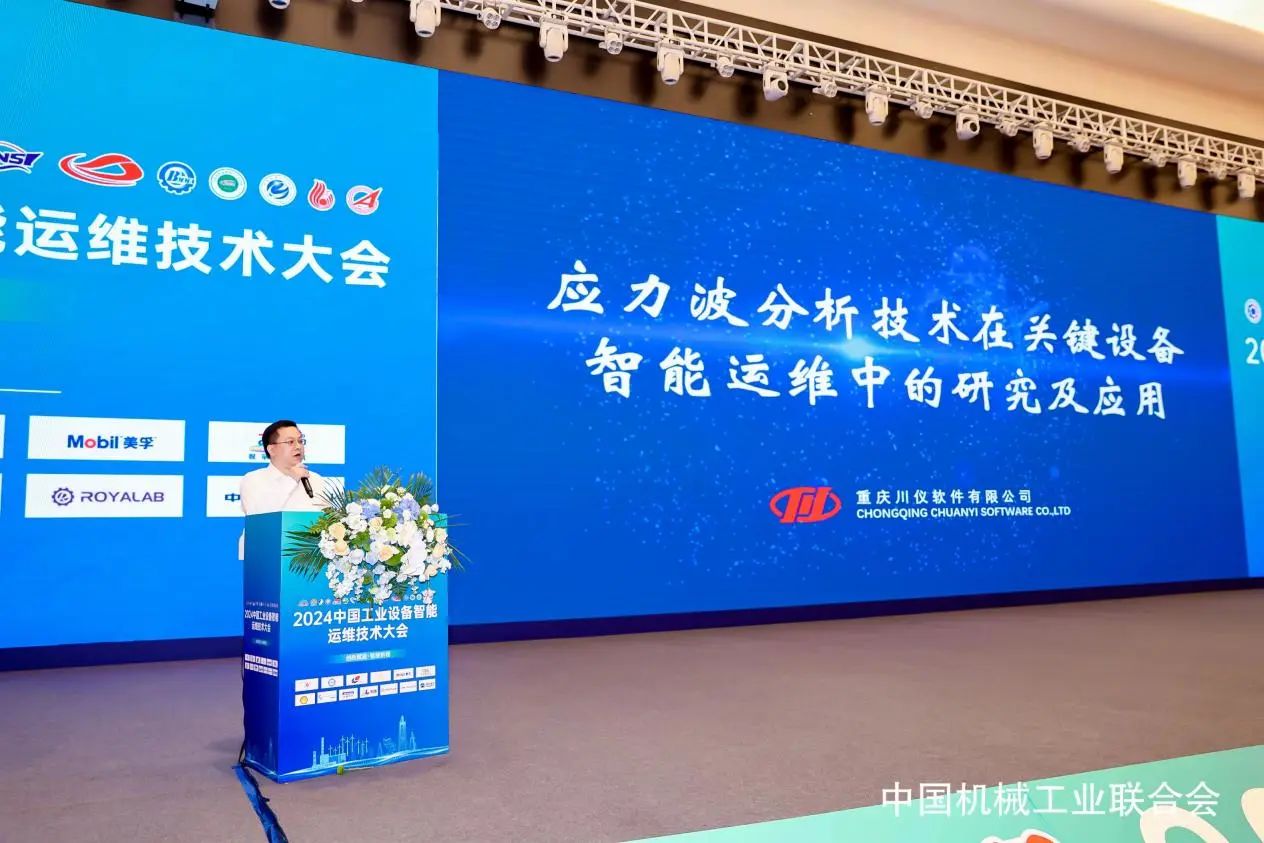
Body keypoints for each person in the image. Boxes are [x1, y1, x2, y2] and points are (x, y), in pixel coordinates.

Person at [238, 419, 332, 559]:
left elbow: (328, 518)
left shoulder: (316, 479)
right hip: (265, 555)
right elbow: (260, 518)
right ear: (271, 449)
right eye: (290, 442)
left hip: (311, 558)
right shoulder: (253, 479)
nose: (298, 446)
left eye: (300, 441)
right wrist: (292, 479)